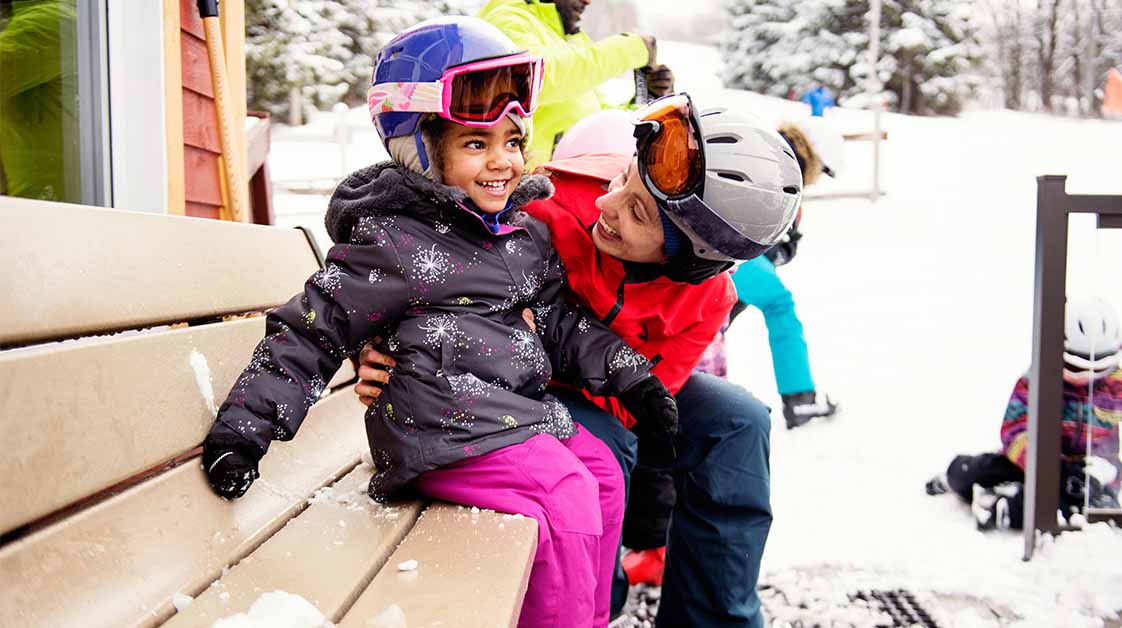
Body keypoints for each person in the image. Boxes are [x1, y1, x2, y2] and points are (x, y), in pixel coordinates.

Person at [202, 18, 682, 628]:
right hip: (441, 429)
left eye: (512, 142)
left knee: (604, 478)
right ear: (423, 150)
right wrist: (246, 431)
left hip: (506, 418)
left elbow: (561, 323)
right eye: (475, 145)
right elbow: (312, 330)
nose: (502, 162)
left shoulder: (523, 234)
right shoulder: (396, 241)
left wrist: (630, 378)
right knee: (564, 494)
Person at [357, 98, 804, 627]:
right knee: (607, 446)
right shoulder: (546, 208)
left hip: (610, 383)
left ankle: (713, 619)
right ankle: (597, 598)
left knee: (737, 421)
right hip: (513, 384)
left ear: (687, 258)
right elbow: (425, 260)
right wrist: (389, 342)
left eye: (637, 212)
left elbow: (640, 402)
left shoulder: (705, 301)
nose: (608, 205)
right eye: (622, 179)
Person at [693, 116, 844, 429]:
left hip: (721, 252)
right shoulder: (789, 171)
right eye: (824, 171)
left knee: (712, 319)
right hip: (732, 255)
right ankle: (799, 397)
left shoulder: (766, 150)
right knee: (778, 304)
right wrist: (774, 249)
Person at [926, 296, 1122, 530]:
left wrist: (1104, 470)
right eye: (1076, 367)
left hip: (1089, 471)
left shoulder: (1116, 386)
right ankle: (954, 479)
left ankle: (1010, 509)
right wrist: (1043, 464)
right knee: (976, 471)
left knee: (1065, 499)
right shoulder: (1036, 383)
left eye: (1099, 369)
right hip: (1032, 464)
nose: (1087, 376)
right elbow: (1014, 430)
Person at [477, 0, 673, 164]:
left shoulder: (571, 40)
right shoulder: (505, 18)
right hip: (529, 192)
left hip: (570, 192)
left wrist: (651, 98)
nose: (588, 2)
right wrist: (631, 49)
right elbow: (534, 79)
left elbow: (597, 118)